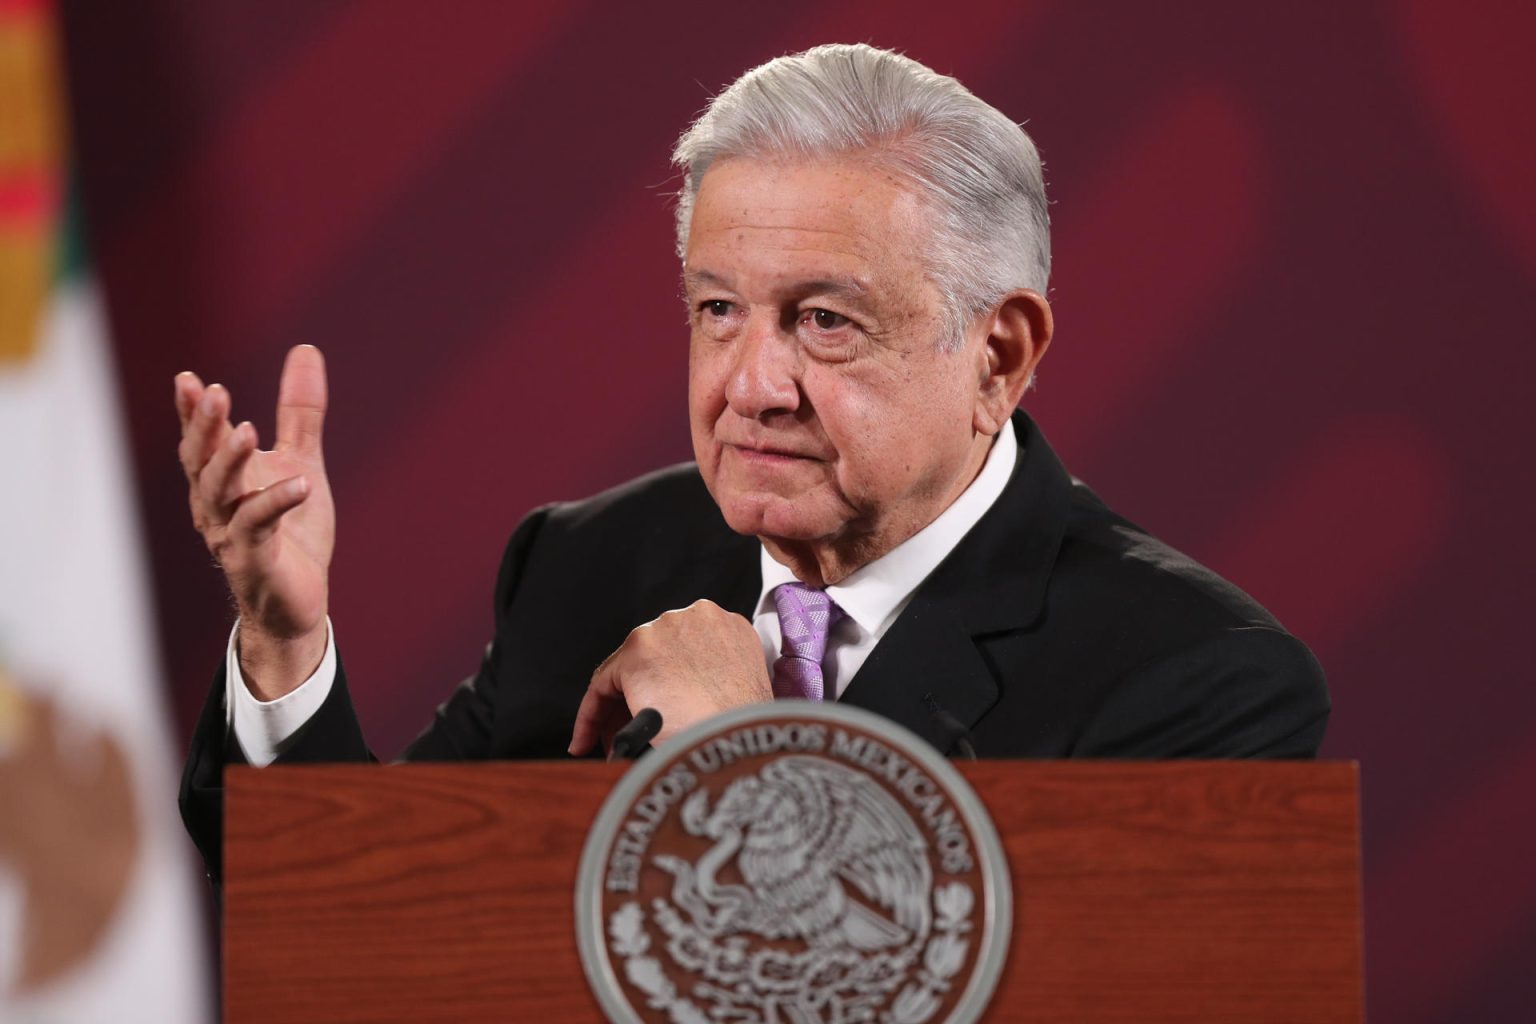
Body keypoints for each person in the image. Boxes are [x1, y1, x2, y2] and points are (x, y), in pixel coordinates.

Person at [176, 44, 1328, 879]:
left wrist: (745, 760)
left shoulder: (1199, 683)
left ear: (1000, 355)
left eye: (825, 320)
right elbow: (363, 913)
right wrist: (285, 648)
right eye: (719, 309)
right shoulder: (591, 564)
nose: (749, 384)